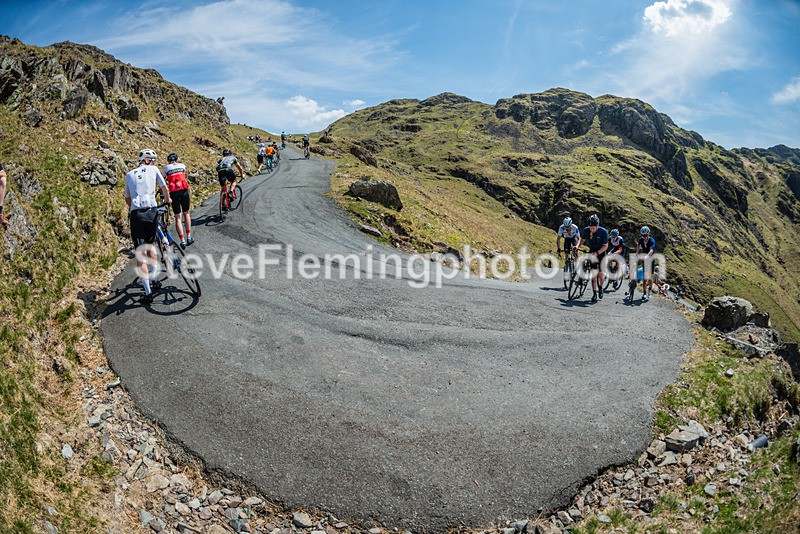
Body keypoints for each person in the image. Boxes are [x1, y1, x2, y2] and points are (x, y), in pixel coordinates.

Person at [124, 149, 170, 304]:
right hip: (152, 211)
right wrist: (168, 200)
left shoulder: (129, 174)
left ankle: (148, 292)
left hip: (137, 214)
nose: (154, 162)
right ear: (147, 160)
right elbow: (164, 188)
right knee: (151, 247)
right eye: (153, 160)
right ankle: (155, 279)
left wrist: (133, 208)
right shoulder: (154, 169)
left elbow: (127, 198)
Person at [574, 214, 609, 303]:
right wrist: (577, 246)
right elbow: (582, 240)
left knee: (600, 274)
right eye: (591, 228)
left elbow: (605, 246)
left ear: (597, 225)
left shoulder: (603, 231)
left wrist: (597, 253)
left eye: (593, 228)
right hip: (592, 251)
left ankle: (600, 288)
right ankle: (594, 294)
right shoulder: (586, 230)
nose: (592, 230)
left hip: (601, 252)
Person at [163, 152, 193, 248]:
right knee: (186, 213)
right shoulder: (182, 165)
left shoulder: (166, 168)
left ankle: (182, 240)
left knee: (178, 217)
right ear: (177, 160)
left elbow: (163, 178)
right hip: (184, 191)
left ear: (168, 161)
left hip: (174, 193)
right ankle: (189, 236)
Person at [636, 225, 657, 301]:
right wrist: (637, 253)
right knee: (645, 278)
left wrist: (647, 256)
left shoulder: (652, 241)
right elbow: (638, 245)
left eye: (646, 235)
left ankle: (650, 290)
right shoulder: (641, 239)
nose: (644, 237)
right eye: (643, 235)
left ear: (649, 234)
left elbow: (651, 250)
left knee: (650, 277)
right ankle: (644, 293)